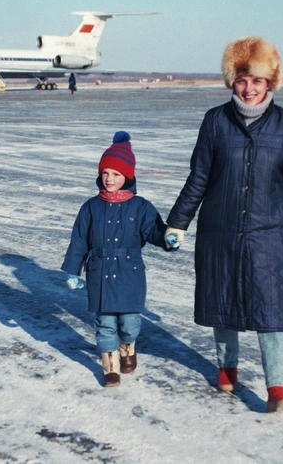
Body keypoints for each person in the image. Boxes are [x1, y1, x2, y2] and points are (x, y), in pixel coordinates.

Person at [165, 37, 283, 412]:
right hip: (221, 227)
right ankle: (226, 369)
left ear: (270, 83)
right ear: (233, 81)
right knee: (224, 299)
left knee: (272, 307)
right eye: (242, 80)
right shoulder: (215, 121)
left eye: (257, 81)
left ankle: (277, 387)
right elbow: (198, 177)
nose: (249, 89)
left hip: (271, 231)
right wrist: (178, 222)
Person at [62, 131, 178, 387]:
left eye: (115, 174)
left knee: (130, 324)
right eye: (105, 173)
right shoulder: (90, 207)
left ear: (127, 176)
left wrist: (168, 239)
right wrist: (72, 271)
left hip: (130, 272)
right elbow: (79, 240)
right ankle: (110, 368)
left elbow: (153, 231)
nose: (109, 179)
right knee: (104, 325)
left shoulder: (141, 206)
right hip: (99, 271)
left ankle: (128, 347)